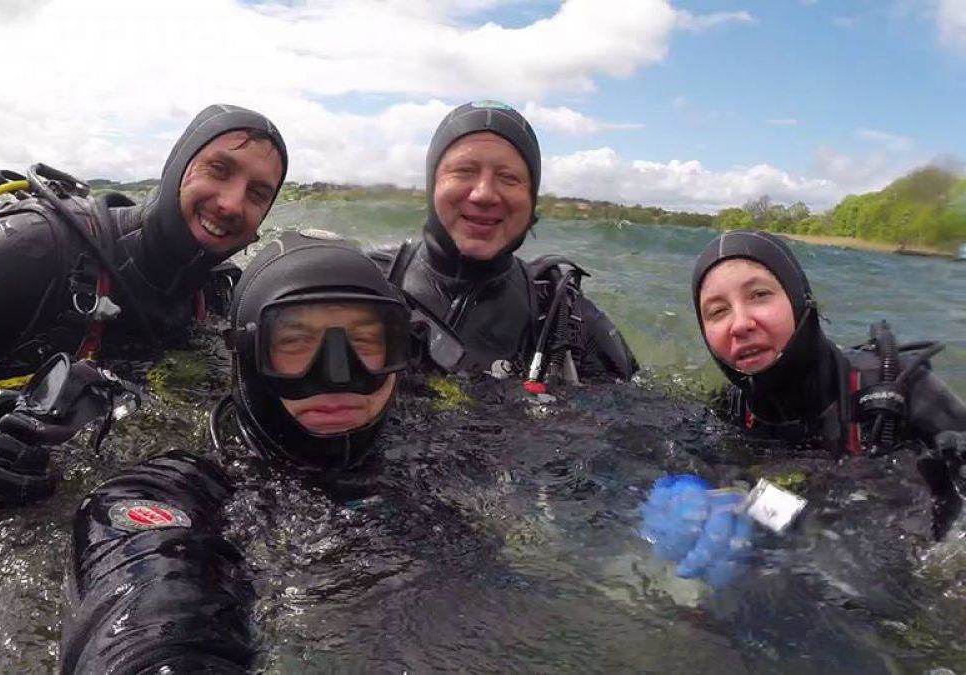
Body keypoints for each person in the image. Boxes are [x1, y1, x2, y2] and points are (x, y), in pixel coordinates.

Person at [0, 104, 288, 507]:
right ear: (177, 168)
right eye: (218, 170)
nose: (232, 203)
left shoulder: (218, 295)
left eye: (257, 194)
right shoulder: (33, 243)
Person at [58, 230, 410, 672]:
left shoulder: (435, 453)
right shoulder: (181, 489)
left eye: (366, 340)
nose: (338, 374)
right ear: (246, 355)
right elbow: (150, 601)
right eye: (295, 342)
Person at [645, 229, 966, 584]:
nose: (740, 323)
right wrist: (689, 484)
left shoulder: (903, 391)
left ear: (801, 300)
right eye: (717, 312)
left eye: (759, 295)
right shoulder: (728, 410)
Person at [372, 100, 637, 387]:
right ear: (432, 184)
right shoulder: (366, 283)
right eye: (464, 170)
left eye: (508, 177)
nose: (484, 194)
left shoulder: (566, 317)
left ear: (531, 199)